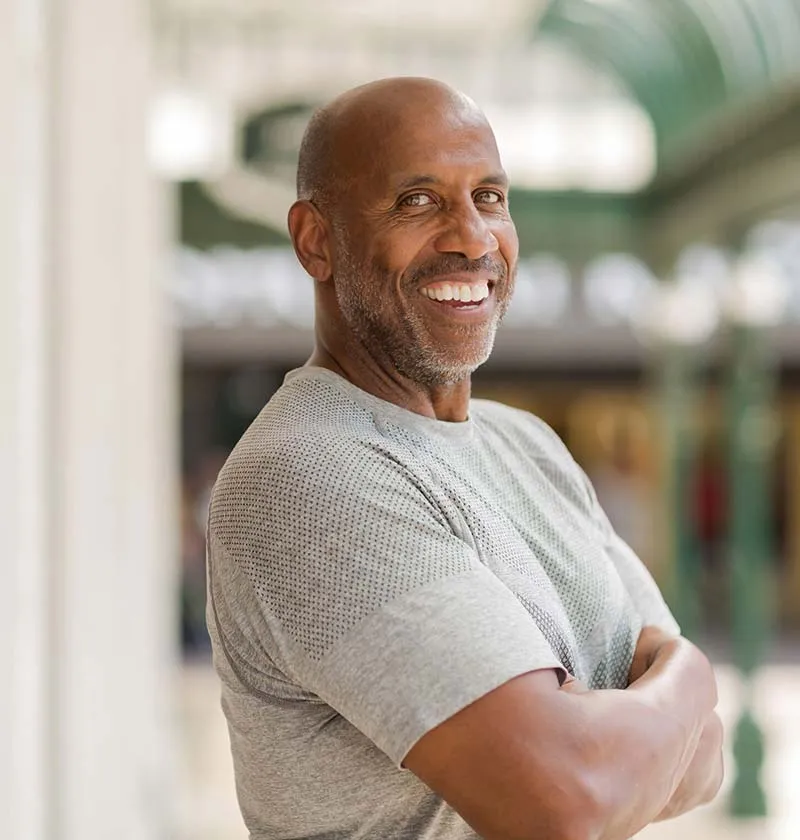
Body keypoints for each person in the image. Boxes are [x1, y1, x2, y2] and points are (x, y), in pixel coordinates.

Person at [206, 77, 723, 840]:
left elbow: (705, 761)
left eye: (489, 197)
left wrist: (628, 734)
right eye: (417, 201)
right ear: (316, 239)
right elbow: (565, 802)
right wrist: (689, 683)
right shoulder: (308, 475)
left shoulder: (526, 445)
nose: (472, 239)